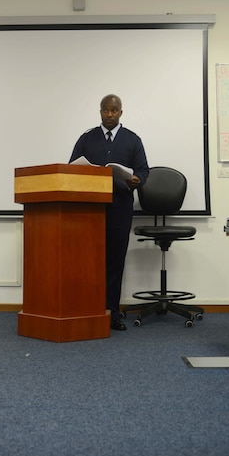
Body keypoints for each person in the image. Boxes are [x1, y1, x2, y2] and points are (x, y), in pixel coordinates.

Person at [70, 94, 149, 331]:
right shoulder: (87, 138)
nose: (109, 114)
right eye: (105, 110)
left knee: (115, 261)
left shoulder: (132, 140)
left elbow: (143, 171)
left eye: (114, 110)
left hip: (119, 207)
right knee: (88, 261)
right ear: (100, 112)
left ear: (121, 112)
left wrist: (137, 179)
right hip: (90, 209)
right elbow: (72, 167)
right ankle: (88, 309)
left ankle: (112, 312)